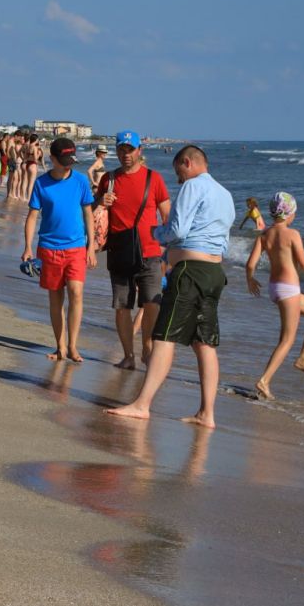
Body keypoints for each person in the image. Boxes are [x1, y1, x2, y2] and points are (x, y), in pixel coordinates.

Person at [109, 144, 235, 429]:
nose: (178, 179)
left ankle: (142, 405)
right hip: (215, 272)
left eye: (179, 171)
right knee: (204, 342)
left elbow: (177, 230)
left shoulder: (193, 186)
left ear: (188, 163)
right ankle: (207, 413)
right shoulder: (225, 194)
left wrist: (157, 234)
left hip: (190, 271)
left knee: (164, 336)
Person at [246, 192, 304, 400]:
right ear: (289, 214)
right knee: (286, 340)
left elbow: (250, 264)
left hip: (275, 288)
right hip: (289, 290)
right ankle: (264, 380)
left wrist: (250, 279)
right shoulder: (293, 234)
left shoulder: (264, 235)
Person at [96, 130, 171, 370]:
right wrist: (100, 203)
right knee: (122, 306)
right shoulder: (108, 180)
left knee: (152, 304)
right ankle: (128, 356)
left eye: (130, 149)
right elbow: (94, 215)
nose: (125, 154)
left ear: (140, 151)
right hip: (119, 249)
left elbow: (167, 215)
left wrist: (168, 251)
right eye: (121, 149)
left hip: (150, 251)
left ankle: (147, 346)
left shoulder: (154, 178)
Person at [22, 138, 97, 362]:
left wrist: (91, 246)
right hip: (48, 248)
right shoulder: (41, 183)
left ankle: (73, 346)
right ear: (52, 159)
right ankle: (60, 346)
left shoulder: (81, 181)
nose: (68, 165)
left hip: (76, 247)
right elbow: (33, 216)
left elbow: (88, 214)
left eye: (71, 160)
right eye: (63, 161)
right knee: (56, 299)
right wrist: (27, 247)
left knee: (76, 292)